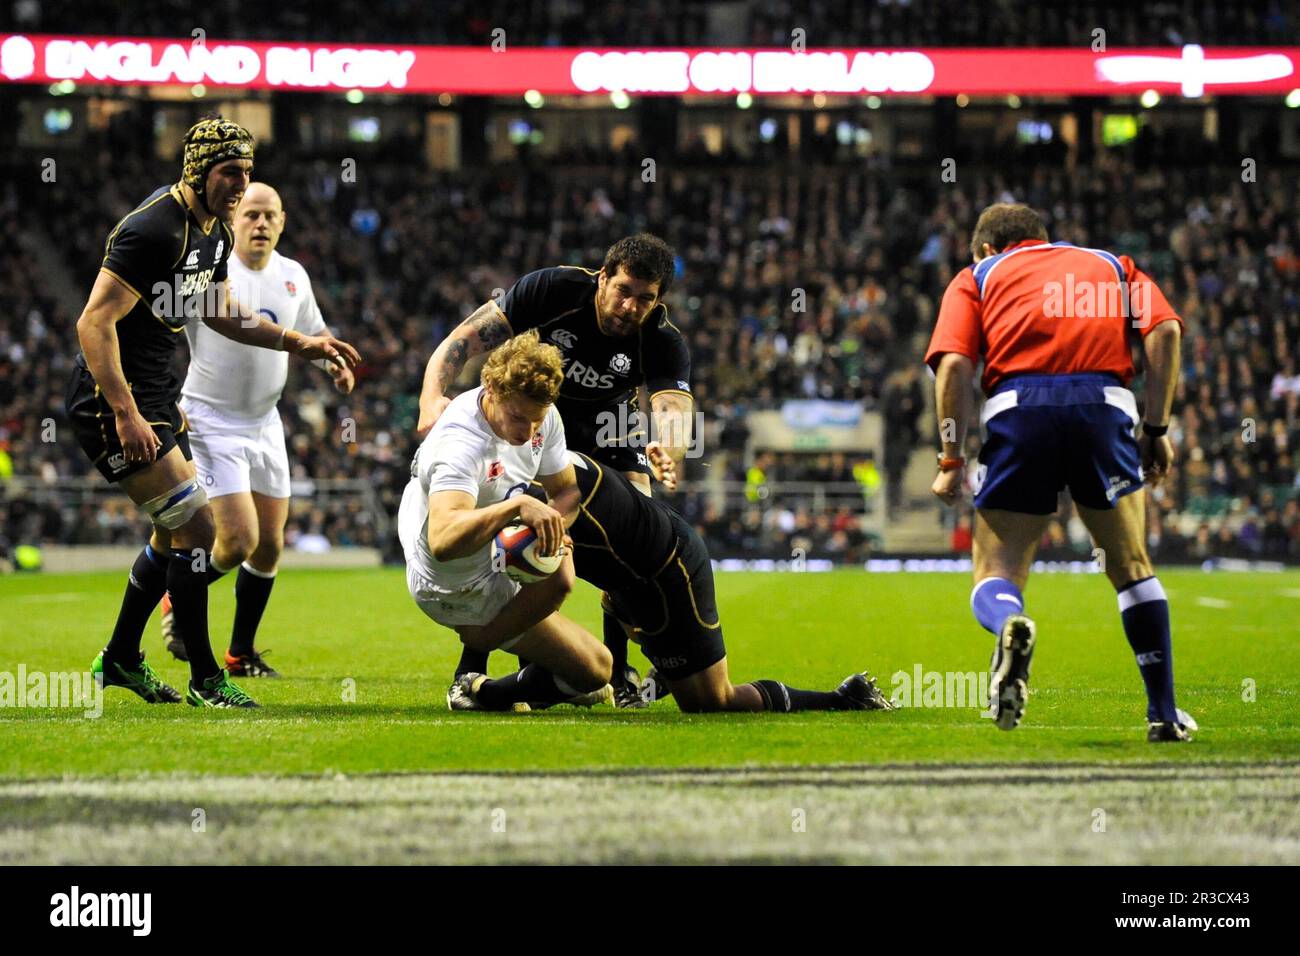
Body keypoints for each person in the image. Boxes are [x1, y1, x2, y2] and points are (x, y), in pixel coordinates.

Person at [65, 116, 360, 709]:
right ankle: (207, 677)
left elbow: (222, 313)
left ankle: (121, 659)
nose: (240, 184)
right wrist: (125, 414)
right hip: (109, 402)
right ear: (198, 171)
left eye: (248, 173)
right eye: (230, 173)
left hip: (156, 395)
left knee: (173, 534)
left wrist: (298, 343)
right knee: (200, 531)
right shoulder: (153, 229)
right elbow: (92, 323)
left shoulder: (213, 232)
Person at [926, 202, 1195, 742]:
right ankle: (1163, 713)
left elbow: (954, 366)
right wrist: (1157, 429)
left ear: (985, 247)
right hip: (1104, 405)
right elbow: (1164, 331)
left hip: (1019, 410)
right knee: (1132, 567)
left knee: (996, 569)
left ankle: (1009, 626)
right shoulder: (1113, 266)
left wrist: (951, 458)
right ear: (1045, 238)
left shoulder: (977, 275)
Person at [416, 234, 694, 707]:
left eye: (645, 298)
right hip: (538, 415)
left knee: (636, 535)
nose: (631, 306)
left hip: (612, 426)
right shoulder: (553, 290)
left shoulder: (664, 340)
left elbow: (674, 408)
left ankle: (620, 670)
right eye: (624, 290)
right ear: (603, 277)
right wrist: (430, 401)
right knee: (504, 524)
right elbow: (462, 341)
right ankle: (472, 669)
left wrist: (669, 447)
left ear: (659, 300)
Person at [460, 448, 895, 714]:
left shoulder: (557, 482)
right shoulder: (524, 468)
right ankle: (637, 681)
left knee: (711, 702)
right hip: (628, 578)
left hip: (671, 569)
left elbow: (556, 585)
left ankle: (843, 698)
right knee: (593, 659)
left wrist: (486, 635)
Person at [155, 182, 356, 678]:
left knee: (269, 544)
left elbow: (315, 332)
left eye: (269, 216)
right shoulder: (212, 270)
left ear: (282, 222)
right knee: (238, 539)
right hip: (210, 419)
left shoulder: (293, 276)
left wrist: (333, 361)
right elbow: (216, 321)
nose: (260, 224)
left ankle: (240, 654)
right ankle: (176, 598)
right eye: (250, 215)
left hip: (265, 422)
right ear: (232, 220)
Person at [400, 331, 613, 711]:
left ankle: (479, 681)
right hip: (449, 583)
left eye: (537, 420)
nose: (528, 432)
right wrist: (516, 509)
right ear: (491, 389)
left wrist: (552, 529)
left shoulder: (538, 416)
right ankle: (478, 673)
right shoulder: (460, 444)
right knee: (595, 671)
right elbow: (444, 542)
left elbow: (566, 493)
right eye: (518, 418)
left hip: (486, 551)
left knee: (555, 571)